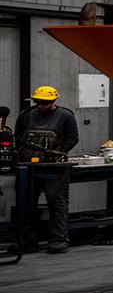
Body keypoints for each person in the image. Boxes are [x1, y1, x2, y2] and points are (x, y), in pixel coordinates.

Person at [17, 85, 79, 253]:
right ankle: (28, 242)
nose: (39, 106)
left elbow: (73, 138)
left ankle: (58, 241)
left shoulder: (65, 116)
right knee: (26, 204)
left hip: (53, 168)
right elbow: (18, 138)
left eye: (43, 103)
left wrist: (59, 152)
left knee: (57, 204)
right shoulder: (26, 115)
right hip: (28, 168)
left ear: (53, 101)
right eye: (37, 102)